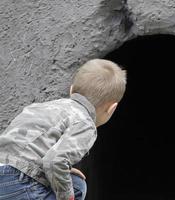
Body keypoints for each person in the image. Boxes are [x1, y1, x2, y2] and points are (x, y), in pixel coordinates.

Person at [0, 59, 127, 200]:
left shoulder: (41, 107)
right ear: (111, 109)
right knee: (76, 190)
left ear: (71, 90)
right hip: (21, 181)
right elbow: (54, 161)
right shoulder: (85, 123)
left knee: (76, 184)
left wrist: (60, 170)